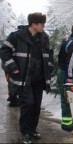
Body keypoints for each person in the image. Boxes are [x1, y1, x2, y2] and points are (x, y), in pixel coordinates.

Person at [0, 13, 53, 144]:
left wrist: (49, 68)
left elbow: (49, 54)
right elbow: (3, 51)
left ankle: (32, 129)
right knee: (27, 105)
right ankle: (25, 132)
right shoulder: (16, 36)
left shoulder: (44, 37)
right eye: (42, 24)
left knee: (36, 106)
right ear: (34, 24)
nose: (44, 27)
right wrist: (13, 67)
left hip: (39, 79)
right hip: (23, 79)